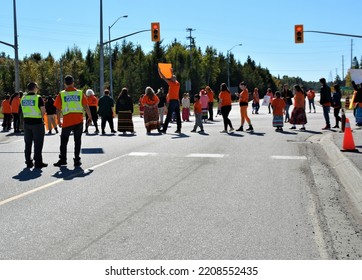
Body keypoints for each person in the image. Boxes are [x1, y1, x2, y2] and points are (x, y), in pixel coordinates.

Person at [53, 75, 92, 167]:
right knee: (77, 141)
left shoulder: (62, 94)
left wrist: (58, 121)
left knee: (63, 141)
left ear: (65, 84)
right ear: (73, 82)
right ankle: (77, 160)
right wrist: (90, 117)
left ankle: (63, 159)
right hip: (78, 120)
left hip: (67, 121)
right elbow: (86, 106)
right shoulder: (79, 93)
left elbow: (58, 109)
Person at [21, 82, 47, 168]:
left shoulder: (23, 98)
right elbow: (43, 111)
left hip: (27, 123)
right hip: (37, 123)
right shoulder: (38, 98)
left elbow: (21, 111)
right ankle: (38, 162)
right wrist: (41, 118)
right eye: (37, 87)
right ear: (35, 88)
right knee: (38, 143)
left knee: (28, 143)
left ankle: (28, 161)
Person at [159, 68, 182, 134]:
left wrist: (160, 72)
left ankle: (164, 130)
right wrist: (172, 73)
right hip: (177, 101)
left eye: (172, 78)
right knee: (178, 116)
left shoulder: (171, 84)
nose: (171, 79)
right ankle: (179, 129)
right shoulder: (178, 84)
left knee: (168, 116)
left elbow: (164, 78)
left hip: (173, 102)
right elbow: (174, 78)